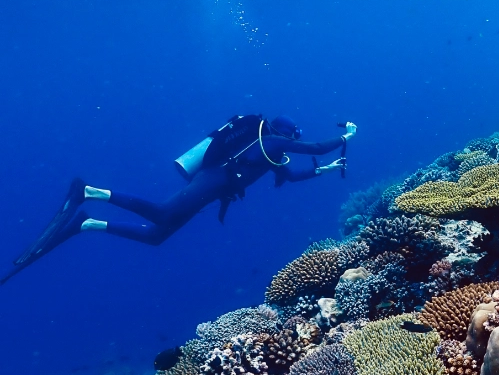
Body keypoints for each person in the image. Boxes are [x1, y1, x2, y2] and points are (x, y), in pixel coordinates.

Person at [1, 114, 356, 285]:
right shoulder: (273, 142)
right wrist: (347, 137)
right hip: (212, 179)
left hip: (215, 188)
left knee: (157, 236)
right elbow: (315, 147)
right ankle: (89, 192)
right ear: (286, 133)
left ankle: (89, 223)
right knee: (162, 212)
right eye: (294, 135)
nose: (294, 141)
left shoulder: (272, 153)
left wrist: (325, 171)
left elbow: (290, 176)